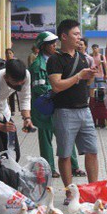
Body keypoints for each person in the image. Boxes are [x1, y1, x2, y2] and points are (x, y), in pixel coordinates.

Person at [47, 19, 99, 204]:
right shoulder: (55, 59)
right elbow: (57, 85)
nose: (79, 37)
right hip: (64, 112)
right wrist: (78, 76)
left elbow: (87, 84)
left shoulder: (84, 57)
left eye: (79, 34)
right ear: (64, 36)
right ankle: (70, 194)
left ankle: (93, 192)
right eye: (75, 34)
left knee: (92, 151)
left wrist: (90, 77)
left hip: (84, 111)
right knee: (65, 154)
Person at [29, 32, 86, 179]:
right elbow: (38, 88)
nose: (55, 45)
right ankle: (50, 169)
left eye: (55, 42)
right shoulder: (37, 65)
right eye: (51, 43)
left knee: (68, 136)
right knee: (46, 139)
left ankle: (74, 166)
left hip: (62, 106)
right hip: (46, 108)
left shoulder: (60, 58)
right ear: (43, 46)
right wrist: (57, 89)